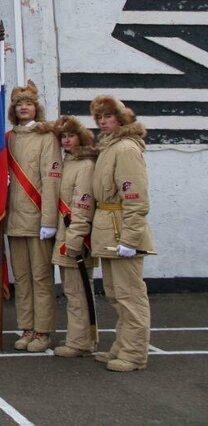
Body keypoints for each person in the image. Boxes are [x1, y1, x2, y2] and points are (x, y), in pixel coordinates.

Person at [90, 96, 154, 372]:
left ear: (121, 118)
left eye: (108, 116)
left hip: (122, 231)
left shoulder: (126, 148)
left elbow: (135, 198)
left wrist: (130, 238)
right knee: (116, 294)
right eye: (99, 117)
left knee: (130, 296)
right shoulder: (109, 147)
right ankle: (123, 346)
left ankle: (134, 353)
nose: (103, 122)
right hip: (108, 229)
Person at [6, 80, 61, 353]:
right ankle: (26, 327)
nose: (24, 108)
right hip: (14, 220)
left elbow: (51, 180)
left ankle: (43, 330)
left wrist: (49, 220)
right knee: (22, 278)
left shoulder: (46, 137)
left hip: (38, 218)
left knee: (41, 278)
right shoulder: (9, 138)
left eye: (28, 103)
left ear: (35, 107)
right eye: (19, 104)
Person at [51, 115, 98, 359]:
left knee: (78, 291)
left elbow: (82, 205)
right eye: (63, 137)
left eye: (71, 136)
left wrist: (75, 238)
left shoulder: (85, 165)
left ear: (81, 137)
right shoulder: (68, 162)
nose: (67, 140)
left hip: (75, 235)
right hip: (66, 232)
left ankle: (80, 342)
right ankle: (81, 336)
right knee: (73, 290)